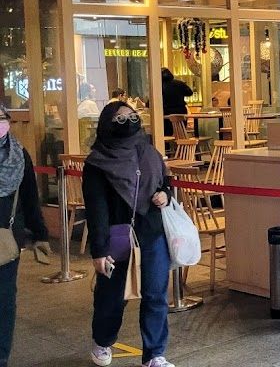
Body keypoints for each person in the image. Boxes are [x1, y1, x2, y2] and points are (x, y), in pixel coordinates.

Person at [83, 101, 173, 367]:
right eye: (120, 118)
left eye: (132, 116)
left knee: (156, 294)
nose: (129, 121)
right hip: (117, 237)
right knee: (112, 296)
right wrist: (99, 251)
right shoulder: (97, 163)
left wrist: (164, 195)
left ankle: (155, 354)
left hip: (152, 232)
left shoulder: (148, 152)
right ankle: (102, 340)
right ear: (108, 125)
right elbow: (96, 209)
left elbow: (164, 181)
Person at [0, 105, 50, 367]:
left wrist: (40, 234)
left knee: (4, 301)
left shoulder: (19, 155)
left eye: (2, 118)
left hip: (6, 240)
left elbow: (31, 197)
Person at [160, 68, 192, 138]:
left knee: (167, 134)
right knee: (181, 133)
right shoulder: (179, 83)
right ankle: (182, 146)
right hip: (181, 112)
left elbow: (150, 103)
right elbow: (190, 93)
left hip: (166, 114)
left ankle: (168, 147)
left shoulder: (159, 87)